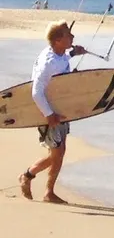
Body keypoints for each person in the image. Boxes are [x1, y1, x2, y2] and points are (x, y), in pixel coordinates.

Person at [18, 21, 87, 204]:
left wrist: (73, 53)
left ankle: (35, 181)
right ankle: (37, 183)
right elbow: (36, 92)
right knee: (58, 152)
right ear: (58, 40)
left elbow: (62, 60)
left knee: (58, 153)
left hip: (60, 109)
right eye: (68, 35)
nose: (72, 37)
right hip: (48, 111)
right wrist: (49, 115)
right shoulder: (48, 63)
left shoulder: (58, 54)